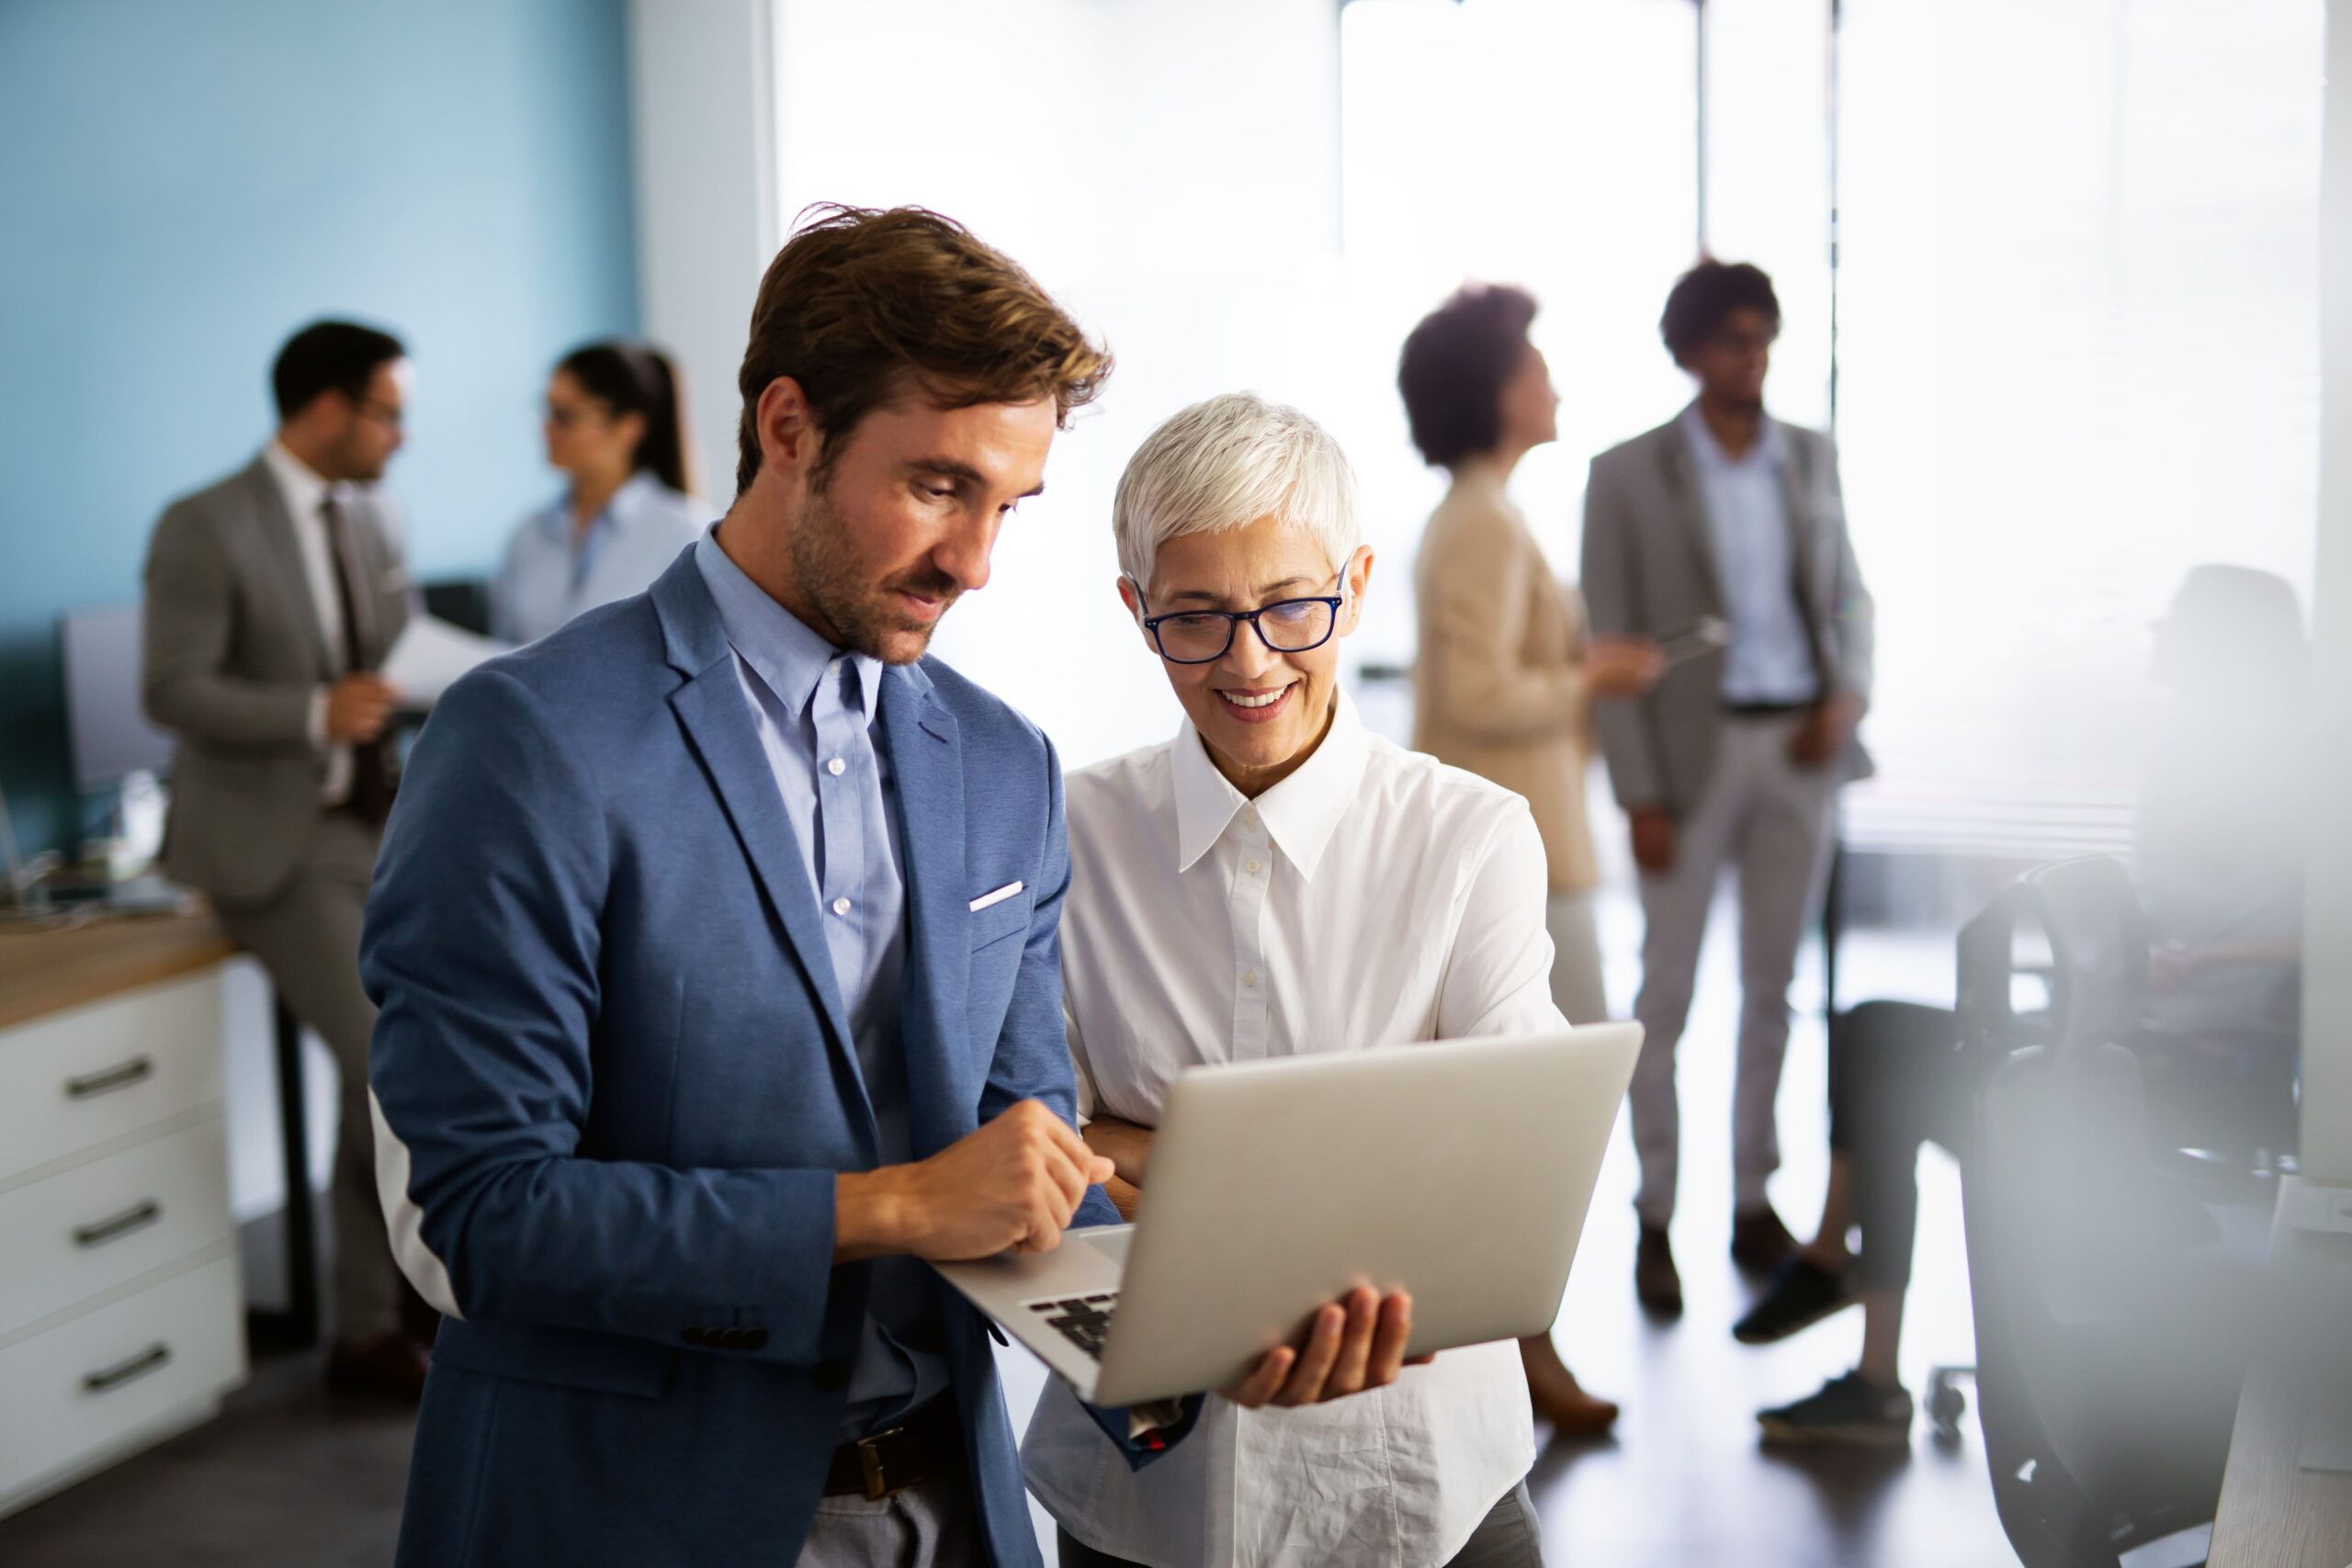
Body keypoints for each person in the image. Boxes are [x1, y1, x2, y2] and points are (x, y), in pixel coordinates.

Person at [364, 209, 1401, 1568]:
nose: (974, 561)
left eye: (1007, 506)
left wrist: (1208, 1338)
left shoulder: (996, 759)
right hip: (627, 1510)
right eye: (936, 486)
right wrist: (893, 1204)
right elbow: (493, 1215)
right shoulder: (529, 739)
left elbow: (1021, 1156)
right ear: (787, 425)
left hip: (948, 1511)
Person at [1023, 392, 1565, 1568]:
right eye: (1197, 618)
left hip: (1419, 1479)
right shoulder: (1063, 835)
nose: (1248, 660)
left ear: (1357, 585)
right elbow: (1031, 1148)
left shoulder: (1468, 838)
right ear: (1137, 611)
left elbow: (1506, 1173)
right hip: (1136, 1500)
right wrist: (1363, 1169)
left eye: (1289, 607)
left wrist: (1151, 1149)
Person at [1739, 564, 2307, 1447]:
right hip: (2123, 1032)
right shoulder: (2185, 763)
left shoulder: (2302, 783)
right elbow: (2148, 902)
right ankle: (1842, 1296)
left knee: (1885, 1053)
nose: (2157, 639)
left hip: (2187, 1066)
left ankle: (1854, 1324)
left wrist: (2204, 959)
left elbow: (2327, 938)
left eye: (2178, 625)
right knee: (1873, 1033)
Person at [1580, 259, 1875, 1318]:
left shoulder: (1808, 455)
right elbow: (1606, 642)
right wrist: (1638, 793)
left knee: (1774, 994)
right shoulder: (1625, 474)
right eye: (1731, 339)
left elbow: (1845, 591)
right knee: (1664, 1001)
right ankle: (1653, 1213)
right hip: (1687, 765)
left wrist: (1848, 693)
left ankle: (1754, 1200)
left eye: (1763, 338)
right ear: (1687, 349)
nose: (1750, 358)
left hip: (1798, 746)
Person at [141, 320, 425, 1400]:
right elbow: (171, 687)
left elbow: (392, 652)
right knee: (382, 1061)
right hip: (271, 844)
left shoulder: (374, 517)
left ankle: (391, 1297)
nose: (401, 435)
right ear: (325, 409)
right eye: (388, 411)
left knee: (411, 1051)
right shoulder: (205, 525)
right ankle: (368, 1324)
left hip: (378, 827)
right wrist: (315, 710)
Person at [1399, 283, 1661, 1437]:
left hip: (1537, 843)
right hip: (1519, 856)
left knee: (1527, 1115)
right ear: (1494, 391)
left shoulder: (1491, 513)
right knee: (1539, 1116)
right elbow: (1477, 693)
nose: (1552, 383)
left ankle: (1519, 1345)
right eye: (1535, 366)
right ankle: (1514, 1346)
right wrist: (1591, 678)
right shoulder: (1477, 520)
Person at [490, 340, 706, 644]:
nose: (547, 428)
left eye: (565, 416)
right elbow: (503, 647)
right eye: (547, 410)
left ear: (629, 426)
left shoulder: (686, 535)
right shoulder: (528, 535)